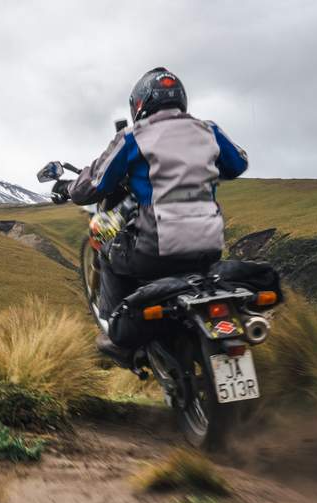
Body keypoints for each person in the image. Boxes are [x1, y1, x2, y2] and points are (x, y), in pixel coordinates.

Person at [51, 67, 248, 360]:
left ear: (139, 104)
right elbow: (237, 164)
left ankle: (118, 334)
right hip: (209, 245)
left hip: (157, 247)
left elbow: (94, 184)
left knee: (106, 250)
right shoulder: (209, 130)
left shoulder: (133, 137)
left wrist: (68, 188)